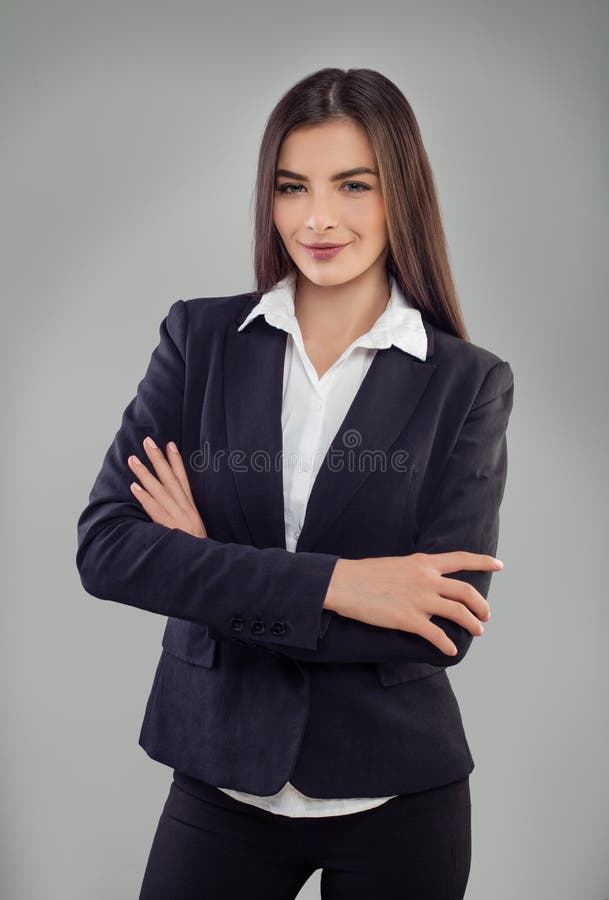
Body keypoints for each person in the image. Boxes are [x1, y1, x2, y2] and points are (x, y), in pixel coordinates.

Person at [76, 66, 514, 899]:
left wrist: (205, 564)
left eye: (353, 185)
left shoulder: (467, 382)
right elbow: (108, 549)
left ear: (400, 195)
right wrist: (346, 585)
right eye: (291, 187)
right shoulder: (199, 339)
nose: (317, 219)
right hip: (219, 778)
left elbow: (439, 625)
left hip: (398, 793)